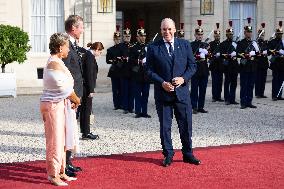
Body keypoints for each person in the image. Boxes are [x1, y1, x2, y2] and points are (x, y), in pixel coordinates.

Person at [146, 18, 200, 167]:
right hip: (163, 95)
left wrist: (183, 79)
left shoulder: (185, 45)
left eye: (169, 29)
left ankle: (188, 154)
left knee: (185, 125)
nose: (167, 32)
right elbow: (148, 70)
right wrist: (162, 82)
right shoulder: (153, 47)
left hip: (182, 94)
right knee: (165, 127)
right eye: (164, 29)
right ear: (160, 30)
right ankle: (168, 154)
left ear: (175, 30)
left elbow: (193, 66)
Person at [40, 33, 79, 186]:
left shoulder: (58, 61)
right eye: (67, 47)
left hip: (60, 104)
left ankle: (61, 171)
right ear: (60, 47)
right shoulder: (53, 63)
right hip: (52, 106)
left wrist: (73, 97)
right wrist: (75, 98)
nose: (68, 50)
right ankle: (52, 174)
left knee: (62, 138)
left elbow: (67, 86)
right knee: (55, 141)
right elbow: (63, 86)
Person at [62, 15, 84, 177]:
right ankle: (64, 163)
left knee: (72, 129)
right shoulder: (65, 45)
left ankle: (68, 161)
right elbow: (65, 72)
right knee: (67, 130)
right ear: (73, 28)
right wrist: (72, 95)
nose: (82, 30)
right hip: (71, 95)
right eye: (81, 27)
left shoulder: (73, 44)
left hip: (75, 94)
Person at [79, 42, 103, 140]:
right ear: (96, 49)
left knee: (85, 109)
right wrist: (91, 89)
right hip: (86, 87)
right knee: (86, 109)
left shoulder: (88, 55)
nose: (100, 54)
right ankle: (86, 132)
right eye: (100, 52)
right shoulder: (89, 56)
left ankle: (85, 131)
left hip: (85, 86)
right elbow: (89, 74)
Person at [129, 19, 151, 118]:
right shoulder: (133, 47)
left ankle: (145, 111)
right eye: (141, 36)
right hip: (137, 74)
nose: (143, 38)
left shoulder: (148, 47)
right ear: (137, 37)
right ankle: (138, 112)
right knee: (137, 94)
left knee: (145, 94)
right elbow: (130, 60)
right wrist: (138, 61)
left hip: (146, 74)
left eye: (144, 36)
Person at [237, 17, 258, 109]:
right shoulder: (241, 43)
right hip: (244, 66)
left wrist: (256, 52)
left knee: (251, 85)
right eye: (247, 32)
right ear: (244, 33)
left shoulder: (254, 43)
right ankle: (243, 102)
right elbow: (238, 53)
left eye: (250, 32)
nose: (249, 34)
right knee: (244, 85)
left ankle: (249, 101)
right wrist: (246, 55)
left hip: (252, 66)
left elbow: (258, 53)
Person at [190, 20, 209, 114]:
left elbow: (210, 56)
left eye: (201, 34)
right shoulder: (191, 45)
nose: (200, 36)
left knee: (203, 89)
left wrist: (207, 53)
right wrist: (198, 56)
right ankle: (194, 106)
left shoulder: (205, 45)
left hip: (204, 69)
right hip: (195, 70)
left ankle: (201, 106)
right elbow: (189, 57)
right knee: (194, 89)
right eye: (198, 34)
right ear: (195, 35)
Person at [219, 21, 239, 105]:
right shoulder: (223, 44)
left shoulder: (236, 43)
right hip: (227, 65)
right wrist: (229, 55)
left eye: (232, 34)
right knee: (227, 82)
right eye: (229, 34)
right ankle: (227, 98)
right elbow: (221, 54)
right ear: (226, 35)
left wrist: (236, 54)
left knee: (234, 83)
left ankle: (232, 98)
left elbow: (239, 52)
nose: (231, 35)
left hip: (234, 65)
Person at [106, 25, 123, 110]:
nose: (117, 40)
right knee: (115, 89)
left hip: (122, 70)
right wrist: (115, 60)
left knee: (122, 88)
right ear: (114, 39)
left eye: (119, 39)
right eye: (116, 39)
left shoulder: (123, 48)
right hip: (114, 71)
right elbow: (107, 60)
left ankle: (122, 104)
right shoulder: (110, 49)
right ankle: (116, 105)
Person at [120, 21, 135, 114]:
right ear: (123, 37)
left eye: (128, 36)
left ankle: (131, 107)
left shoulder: (133, 46)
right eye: (126, 36)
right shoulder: (120, 46)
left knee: (132, 91)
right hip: (123, 71)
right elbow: (118, 56)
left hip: (132, 72)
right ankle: (125, 107)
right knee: (124, 90)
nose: (127, 38)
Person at [268, 21, 284, 101]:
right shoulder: (272, 42)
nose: (280, 35)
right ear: (276, 34)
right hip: (275, 62)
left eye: (281, 34)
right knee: (275, 79)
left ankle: (279, 95)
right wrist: (275, 51)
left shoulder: (283, 42)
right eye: (279, 34)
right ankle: (274, 95)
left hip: (282, 62)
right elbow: (269, 50)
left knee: (281, 79)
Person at [208, 23, 224, 102]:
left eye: (218, 36)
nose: (217, 37)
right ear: (214, 36)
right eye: (216, 36)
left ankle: (219, 96)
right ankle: (214, 96)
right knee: (214, 81)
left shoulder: (222, 44)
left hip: (220, 65)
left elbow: (224, 54)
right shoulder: (211, 44)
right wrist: (214, 55)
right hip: (214, 65)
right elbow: (209, 54)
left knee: (220, 81)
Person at [255, 23, 269, 98]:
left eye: (263, 35)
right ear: (258, 34)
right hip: (258, 63)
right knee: (258, 79)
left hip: (264, 63)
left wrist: (267, 52)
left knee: (263, 79)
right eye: (261, 35)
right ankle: (257, 93)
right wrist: (261, 53)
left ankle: (262, 93)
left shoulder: (265, 43)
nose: (262, 36)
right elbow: (255, 52)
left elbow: (269, 51)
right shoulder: (256, 43)